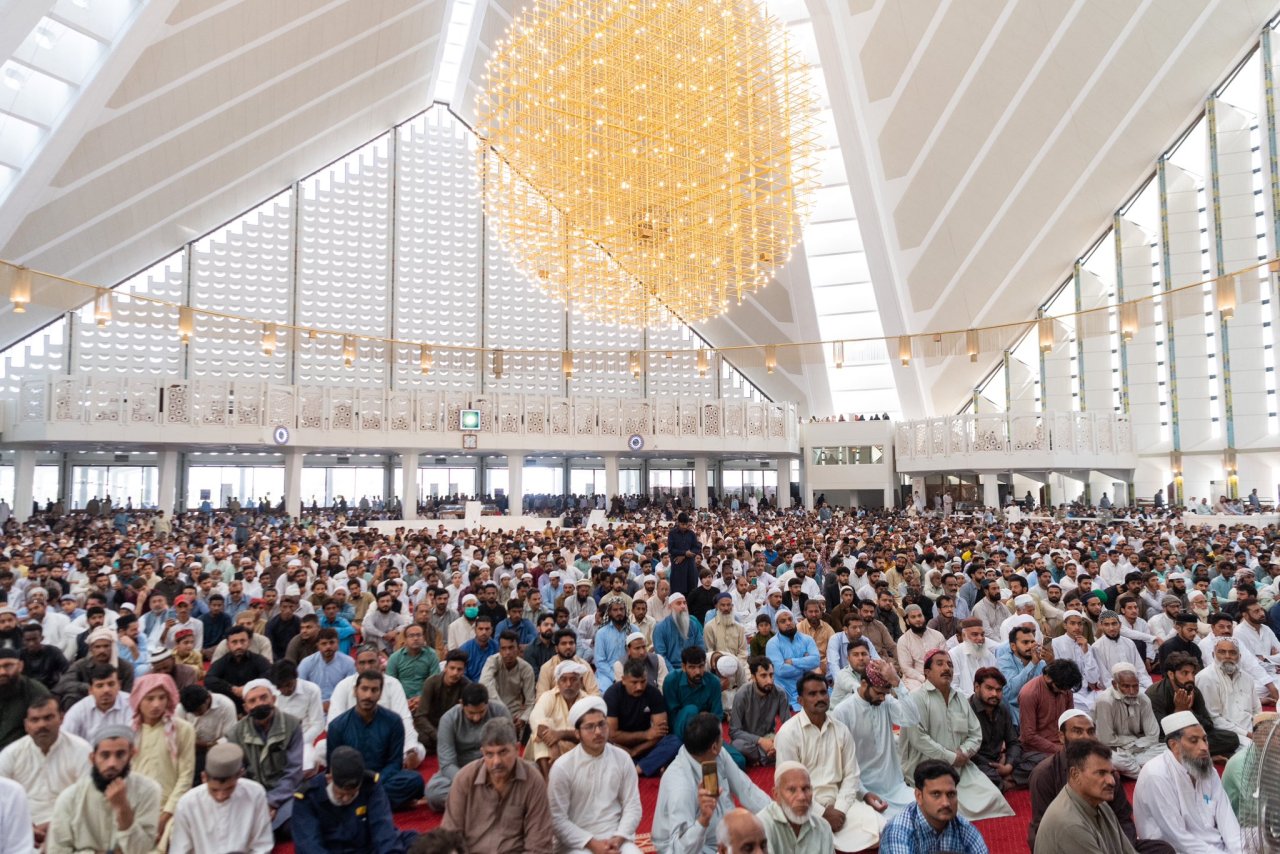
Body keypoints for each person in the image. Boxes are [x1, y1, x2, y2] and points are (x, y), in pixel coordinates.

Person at [1027, 709, 1173, 854]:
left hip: (1108, 841)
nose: (1085, 737)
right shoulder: (1044, 774)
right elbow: (1040, 828)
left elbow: (1123, 819)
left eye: (1090, 732)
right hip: (1069, 842)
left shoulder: (1105, 788)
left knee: (1162, 850)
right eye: (1077, 731)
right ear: (1061, 736)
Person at [775, 671, 887, 850]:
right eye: (812, 694)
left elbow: (852, 776)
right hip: (804, 806)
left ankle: (830, 837)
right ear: (801, 701)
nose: (820, 698)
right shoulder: (788, 733)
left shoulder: (840, 730)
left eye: (823, 692)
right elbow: (788, 785)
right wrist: (822, 813)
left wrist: (840, 810)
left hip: (840, 802)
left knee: (882, 830)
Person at [899, 648, 1014, 821]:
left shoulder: (960, 698)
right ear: (927, 672)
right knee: (948, 805)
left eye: (950, 664)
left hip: (960, 765)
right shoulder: (916, 698)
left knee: (993, 798)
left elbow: (975, 734)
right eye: (940, 664)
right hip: (927, 766)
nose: (947, 668)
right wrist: (952, 757)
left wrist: (965, 752)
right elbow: (919, 739)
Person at [650, 711, 771, 854]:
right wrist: (703, 820)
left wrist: (777, 815)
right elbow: (680, 849)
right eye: (722, 737)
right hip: (686, 847)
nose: (724, 740)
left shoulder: (717, 754)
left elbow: (747, 790)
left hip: (722, 838)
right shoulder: (680, 785)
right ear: (714, 747)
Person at [1133, 710, 1242, 852]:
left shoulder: (1208, 770)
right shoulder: (1156, 775)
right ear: (1174, 745)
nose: (1204, 747)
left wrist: (1239, 850)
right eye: (1194, 741)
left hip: (1216, 846)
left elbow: (1227, 819)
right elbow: (1177, 838)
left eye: (1205, 739)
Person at [440, 718, 555, 851]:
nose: (496, 762)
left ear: (517, 749)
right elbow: (449, 837)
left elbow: (538, 845)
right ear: (482, 752)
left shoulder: (533, 781)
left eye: (503, 752)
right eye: (489, 754)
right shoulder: (465, 778)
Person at [547, 696, 643, 853]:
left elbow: (632, 805)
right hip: (577, 844)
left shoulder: (622, 758)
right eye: (590, 727)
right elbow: (557, 819)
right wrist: (593, 844)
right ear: (577, 733)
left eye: (601, 724)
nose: (598, 732)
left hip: (615, 837)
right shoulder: (562, 767)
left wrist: (617, 839)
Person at [46, 724, 162, 854]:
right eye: (105, 755)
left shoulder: (148, 791)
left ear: (131, 755)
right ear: (92, 758)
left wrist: (123, 808)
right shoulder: (70, 798)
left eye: (120, 755)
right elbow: (57, 850)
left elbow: (142, 850)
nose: (112, 763)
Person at [830, 658, 918, 816]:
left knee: (925, 811)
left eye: (886, 693)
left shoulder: (886, 702)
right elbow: (842, 762)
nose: (883, 698)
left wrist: (898, 683)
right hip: (862, 792)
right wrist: (864, 794)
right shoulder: (842, 711)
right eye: (879, 693)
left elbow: (912, 718)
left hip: (895, 787)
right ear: (864, 684)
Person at [0, 694, 90, 847]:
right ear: (26, 725)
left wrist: (54, 826)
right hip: (22, 828)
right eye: (35, 720)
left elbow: (88, 799)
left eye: (48, 718)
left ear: (61, 718)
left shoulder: (81, 750)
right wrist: (27, 828)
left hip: (70, 826)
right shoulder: (11, 754)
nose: (41, 725)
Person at [292, 746, 418, 854]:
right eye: (341, 794)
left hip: (367, 848)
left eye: (352, 794)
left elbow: (383, 828)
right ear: (330, 778)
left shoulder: (371, 785)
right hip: (331, 850)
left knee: (417, 841)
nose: (346, 799)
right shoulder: (307, 797)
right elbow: (309, 846)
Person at [327, 671, 425, 810]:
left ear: (380, 693)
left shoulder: (393, 721)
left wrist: (376, 779)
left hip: (381, 778)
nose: (368, 695)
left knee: (415, 781)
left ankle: (359, 803)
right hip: (349, 782)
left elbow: (395, 763)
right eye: (364, 689)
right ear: (355, 691)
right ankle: (378, 803)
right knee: (322, 788)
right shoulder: (338, 725)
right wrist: (353, 784)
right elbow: (332, 767)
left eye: (374, 690)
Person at [168, 742, 274, 854]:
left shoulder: (255, 794)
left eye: (229, 788)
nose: (221, 796)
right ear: (204, 778)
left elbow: (262, 846)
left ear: (240, 775)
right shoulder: (187, 803)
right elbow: (179, 849)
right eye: (214, 790)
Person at [228, 679, 304, 832]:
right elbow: (239, 777)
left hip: (285, 794)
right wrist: (259, 803)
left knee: (293, 823)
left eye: (264, 697)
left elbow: (294, 772)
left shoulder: (292, 725)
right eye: (252, 701)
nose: (259, 704)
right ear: (245, 707)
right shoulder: (235, 733)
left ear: (274, 699)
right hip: (251, 797)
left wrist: (271, 802)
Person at [129, 672, 196, 848]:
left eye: (162, 697)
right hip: (134, 810)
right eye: (150, 698)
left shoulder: (183, 730)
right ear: (138, 700)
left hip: (171, 809)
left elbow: (186, 777)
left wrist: (165, 816)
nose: (157, 704)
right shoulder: (128, 733)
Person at [1034, 739, 1133, 854]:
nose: (1111, 781)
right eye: (1101, 773)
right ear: (1075, 774)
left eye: (1111, 773)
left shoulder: (1101, 805)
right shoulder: (1070, 825)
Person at [423, 682, 510, 811]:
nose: (476, 718)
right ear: (461, 704)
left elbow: (509, 750)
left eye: (481, 712)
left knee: (531, 772)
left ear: (488, 703)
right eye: (471, 713)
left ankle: (475, 803)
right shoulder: (448, 719)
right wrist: (471, 781)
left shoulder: (500, 712)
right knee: (434, 792)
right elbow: (447, 764)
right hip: (461, 770)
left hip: (494, 768)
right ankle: (493, 800)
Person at [880, 760, 989, 854]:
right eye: (936, 794)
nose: (946, 803)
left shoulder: (963, 828)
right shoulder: (898, 832)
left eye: (951, 794)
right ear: (919, 796)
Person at [1146, 651, 1239, 757]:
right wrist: (1179, 712)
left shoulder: (1193, 690)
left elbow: (1208, 726)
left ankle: (1193, 753)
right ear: (1171, 674)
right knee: (1167, 747)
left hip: (1194, 737)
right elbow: (1162, 733)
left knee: (1232, 738)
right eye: (1185, 673)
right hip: (1169, 740)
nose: (1190, 678)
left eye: (1193, 673)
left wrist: (1189, 712)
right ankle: (1200, 753)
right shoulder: (1155, 695)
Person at [605, 658, 681, 777]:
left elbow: (660, 731)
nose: (639, 687)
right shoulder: (612, 695)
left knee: (674, 741)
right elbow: (612, 734)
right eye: (634, 682)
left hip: (646, 746)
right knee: (603, 747)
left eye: (643, 681)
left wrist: (636, 751)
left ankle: (637, 769)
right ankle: (651, 765)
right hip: (620, 746)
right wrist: (646, 734)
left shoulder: (653, 693)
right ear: (624, 680)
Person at [968, 666, 1037, 790]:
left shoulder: (1002, 708)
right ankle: (1007, 783)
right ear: (976, 687)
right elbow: (969, 752)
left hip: (1002, 761)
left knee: (1041, 760)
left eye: (999, 690)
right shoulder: (966, 710)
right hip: (980, 764)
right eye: (989, 688)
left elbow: (1013, 742)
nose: (994, 694)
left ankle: (1004, 782)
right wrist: (995, 767)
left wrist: (1009, 765)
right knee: (977, 776)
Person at [1094, 662, 1164, 777]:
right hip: (1115, 751)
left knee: (1169, 750)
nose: (1132, 691)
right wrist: (1133, 740)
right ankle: (1146, 773)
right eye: (1126, 686)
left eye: (1135, 686)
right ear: (1115, 684)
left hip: (1141, 749)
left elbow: (1153, 735)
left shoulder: (1143, 699)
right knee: (1114, 760)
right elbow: (1106, 740)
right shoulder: (1105, 701)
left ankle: (1136, 771)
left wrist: (1134, 745)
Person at [1195, 635, 1259, 750]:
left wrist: (1259, 730)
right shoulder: (1206, 678)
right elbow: (1213, 719)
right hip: (1227, 734)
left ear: (1239, 656)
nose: (1227, 656)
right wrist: (1247, 734)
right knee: (1254, 752)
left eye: (1232, 653)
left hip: (1251, 729)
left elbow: (1256, 710)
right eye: (1222, 652)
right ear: (1213, 655)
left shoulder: (1247, 678)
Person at [756, 762, 835, 854]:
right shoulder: (761, 826)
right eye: (792, 790)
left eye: (805, 788)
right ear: (776, 795)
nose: (802, 797)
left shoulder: (823, 827)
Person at [729, 656, 790, 767]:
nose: (769, 680)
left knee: (792, 741)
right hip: (748, 741)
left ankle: (760, 757)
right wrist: (760, 741)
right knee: (737, 745)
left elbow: (789, 725)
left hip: (771, 739)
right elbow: (734, 731)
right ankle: (769, 756)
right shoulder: (742, 694)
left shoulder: (780, 693)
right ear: (753, 677)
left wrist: (776, 742)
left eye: (771, 675)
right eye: (763, 676)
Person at [1019, 659, 1082, 759]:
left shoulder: (1065, 689)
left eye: (1066, 689)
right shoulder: (1029, 693)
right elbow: (1028, 736)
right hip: (1037, 750)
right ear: (1048, 677)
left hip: (1063, 744)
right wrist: (1059, 749)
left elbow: (1070, 720)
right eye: (1060, 688)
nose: (1063, 692)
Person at [479, 630, 536, 741]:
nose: (507, 652)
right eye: (503, 649)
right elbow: (484, 684)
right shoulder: (492, 661)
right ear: (499, 650)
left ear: (518, 649)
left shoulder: (526, 669)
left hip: (516, 715)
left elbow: (530, 702)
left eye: (511, 648)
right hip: (493, 710)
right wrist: (502, 710)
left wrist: (524, 718)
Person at [414, 650, 472, 755]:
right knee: (420, 738)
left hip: (453, 728)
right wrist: (438, 735)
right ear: (445, 668)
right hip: (431, 729)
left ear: (464, 671)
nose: (455, 673)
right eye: (452, 668)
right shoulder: (431, 682)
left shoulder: (467, 686)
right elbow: (420, 716)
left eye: (459, 669)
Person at [764, 609, 819, 711]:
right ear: (777, 625)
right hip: (785, 688)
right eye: (783, 621)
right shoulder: (772, 644)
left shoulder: (807, 639)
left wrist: (793, 661)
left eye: (790, 619)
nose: (788, 623)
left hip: (807, 684)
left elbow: (816, 661)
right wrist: (806, 664)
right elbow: (780, 670)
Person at [0, 648, 51, 749]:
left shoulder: (35, 691)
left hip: (22, 754)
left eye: (8, 666)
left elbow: (46, 730)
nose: (2, 672)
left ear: (20, 666)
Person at [298, 628, 357, 705]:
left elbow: (352, 690)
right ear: (317, 645)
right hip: (313, 705)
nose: (328, 646)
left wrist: (334, 704)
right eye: (324, 643)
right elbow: (300, 689)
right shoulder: (306, 663)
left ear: (338, 643)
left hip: (340, 705)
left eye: (332, 643)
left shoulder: (349, 662)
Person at [387, 623, 440, 704]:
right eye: (411, 636)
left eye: (419, 635)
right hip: (400, 700)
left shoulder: (432, 655)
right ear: (405, 639)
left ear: (424, 638)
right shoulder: (394, 658)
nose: (415, 638)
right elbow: (391, 683)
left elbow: (435, 681)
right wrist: (404, 701)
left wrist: (421, 699)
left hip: (426, 700)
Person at [654, 593, 705, 671]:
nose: (683, 606)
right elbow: (661, 656)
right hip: (670, 670)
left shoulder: (692, 625)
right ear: (670, 607)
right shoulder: (660, 628)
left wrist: (694, 668)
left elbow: (700, 648)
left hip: (693, 668)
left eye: (684, 603)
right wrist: (675, 674)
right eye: (678, 603)